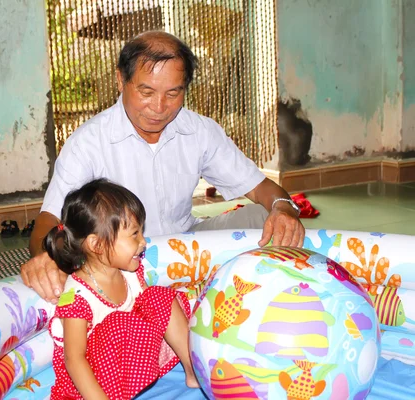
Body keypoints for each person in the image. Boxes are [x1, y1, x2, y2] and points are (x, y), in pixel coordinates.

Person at [22, 30, 304, 303]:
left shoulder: (199, 131)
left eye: (173, 93)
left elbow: (266, 191)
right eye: (146, 91)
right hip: (121, 261)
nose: (159, 107)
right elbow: (47, 222)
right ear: (121, 80)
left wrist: (282, 208)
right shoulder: (88, 142)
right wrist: (45, 259)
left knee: (260, 219)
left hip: (187, 248)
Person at [45, 179, 198, 399]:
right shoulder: (77, 297)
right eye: (135, 234)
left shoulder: (130, 273)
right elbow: (74, 359)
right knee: (118, 324)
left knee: (158, 296)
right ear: (96, 245)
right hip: (93, 384)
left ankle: (193, 369)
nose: (143, 242)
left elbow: (149, 315)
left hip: (129, 367)